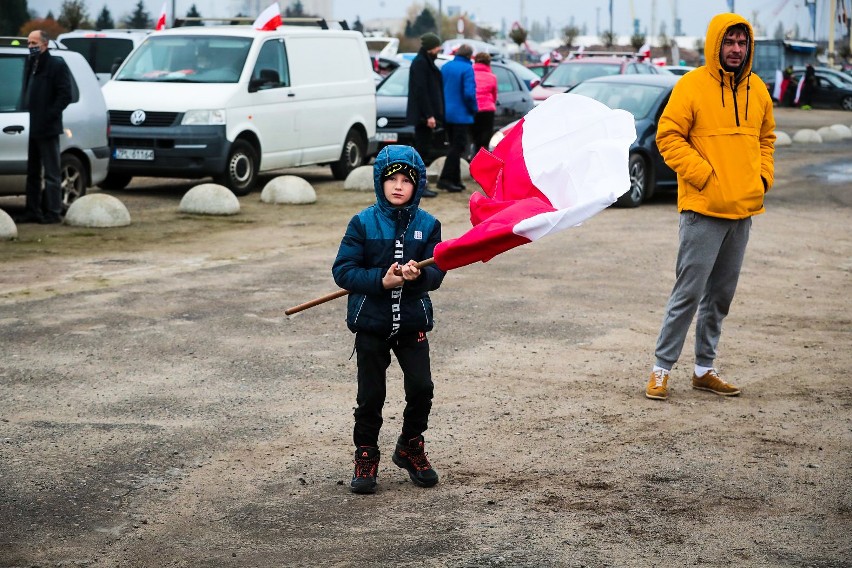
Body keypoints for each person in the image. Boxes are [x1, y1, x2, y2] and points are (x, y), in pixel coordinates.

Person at [646, 13, 775, 401]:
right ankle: (660, 369)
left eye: (742, 43)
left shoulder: (759, 90)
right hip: (703, 209)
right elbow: (667, 136)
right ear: (715, 44)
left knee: (720, 296)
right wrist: (702, 175)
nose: (736, 49)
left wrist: (762, 179)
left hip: (743, 210)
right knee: (688, 293)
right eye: (729, 42)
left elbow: (767, 139)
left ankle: (704, 369)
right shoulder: (691, 86)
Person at [332, 144, 446, 494]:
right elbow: (344, 271)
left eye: (406, 181)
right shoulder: (363, 222)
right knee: (371, 395)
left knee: (422, 388)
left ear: (418, 185)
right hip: (371, 324)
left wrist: (419, 277)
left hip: (411, 321)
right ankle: (366, 454)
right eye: (391, 179)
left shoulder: (428, 225)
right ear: (379, 182)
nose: (398, 186)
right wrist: (380, 280)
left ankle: (410, 444)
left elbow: (438, 270)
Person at [19, 30, 71, 224]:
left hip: (48, 127)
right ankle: (32, 210)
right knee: (32, 172)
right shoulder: (30, 64)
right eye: (29, 43)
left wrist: (50, 114)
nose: (31, 46)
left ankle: (53, 211)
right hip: (31, 125)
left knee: (51, 173)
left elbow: (65, 95)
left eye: (34, 43)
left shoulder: (56, 65)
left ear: (45, 44)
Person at [406, 33, 444, 199]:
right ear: (430, 47)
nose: (439, 50)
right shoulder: (421, 63)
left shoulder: (425, 62)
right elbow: (421, 92)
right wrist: (429, 115)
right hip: (423, 117)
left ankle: (421, 185)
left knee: (423, 150)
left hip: (426, 115)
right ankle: (419, 186)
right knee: (421, 151)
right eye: (437, 47)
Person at [437, 43, 477, 193]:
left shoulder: (446, 66)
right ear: (469, 56)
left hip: (446, 113)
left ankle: (455, 179)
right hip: (461, 114)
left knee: (453, 145)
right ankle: (445, 179)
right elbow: (469, 94)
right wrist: (474, 108)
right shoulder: (467, 69)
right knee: (458, 147)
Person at [471, 51, 498, 157]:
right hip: (488, 110)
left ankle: (473, 159)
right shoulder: (492, 77)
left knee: (474, 137)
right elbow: (494, 95)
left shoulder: (470, 74)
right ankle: (482, 161)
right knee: (485, 139)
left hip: (473, 109)